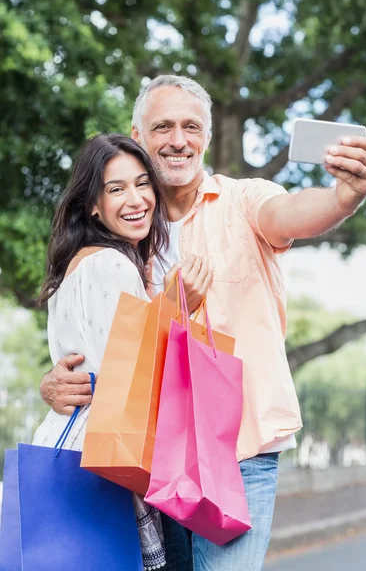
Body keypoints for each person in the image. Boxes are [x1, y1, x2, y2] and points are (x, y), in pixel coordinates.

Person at [39, 76, 366, 570]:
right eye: (163, 126)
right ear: (137, 134)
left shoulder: (244, 200)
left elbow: (292, 213)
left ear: (205, 135)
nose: (178, 139)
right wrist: (56, 382)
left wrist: (344, 197)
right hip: (158, 456)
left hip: (237, 451)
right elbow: (105, 347)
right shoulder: (129, 239)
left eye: (191, 126)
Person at [33, 133, 211, 571]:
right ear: (93, 204)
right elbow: (140, 376)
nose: (136, 199)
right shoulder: (113, 265)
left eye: (142, 183)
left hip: (67, 444)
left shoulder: (70, 269)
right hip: (115, 459)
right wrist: (177, 305)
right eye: (116, 189)